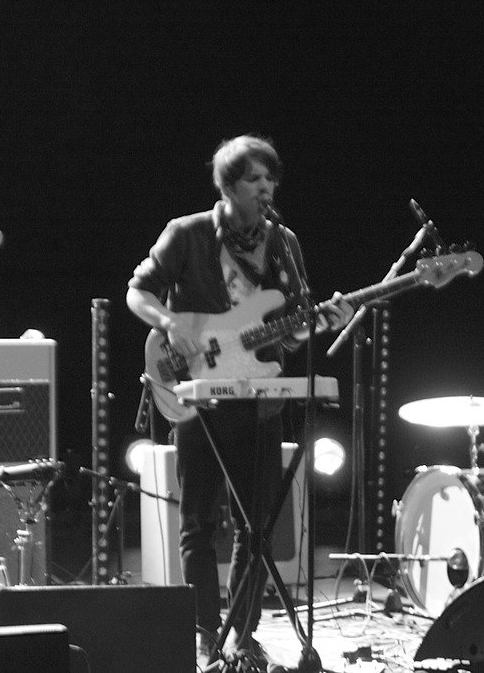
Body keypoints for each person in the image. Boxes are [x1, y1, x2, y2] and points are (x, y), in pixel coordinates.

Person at [126, 135, 351, 673]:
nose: (266, 187)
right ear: (228, 186)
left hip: (259, 399)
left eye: (270, 178)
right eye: (254, 179)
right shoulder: (187, 233)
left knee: (258, 527)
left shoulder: (284, 243)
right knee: (197, 524)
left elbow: (290, 329)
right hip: (199, 397)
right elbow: (138, 291)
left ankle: (242, 636)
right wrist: (170, 323)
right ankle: (207, 637)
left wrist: (320, 323)